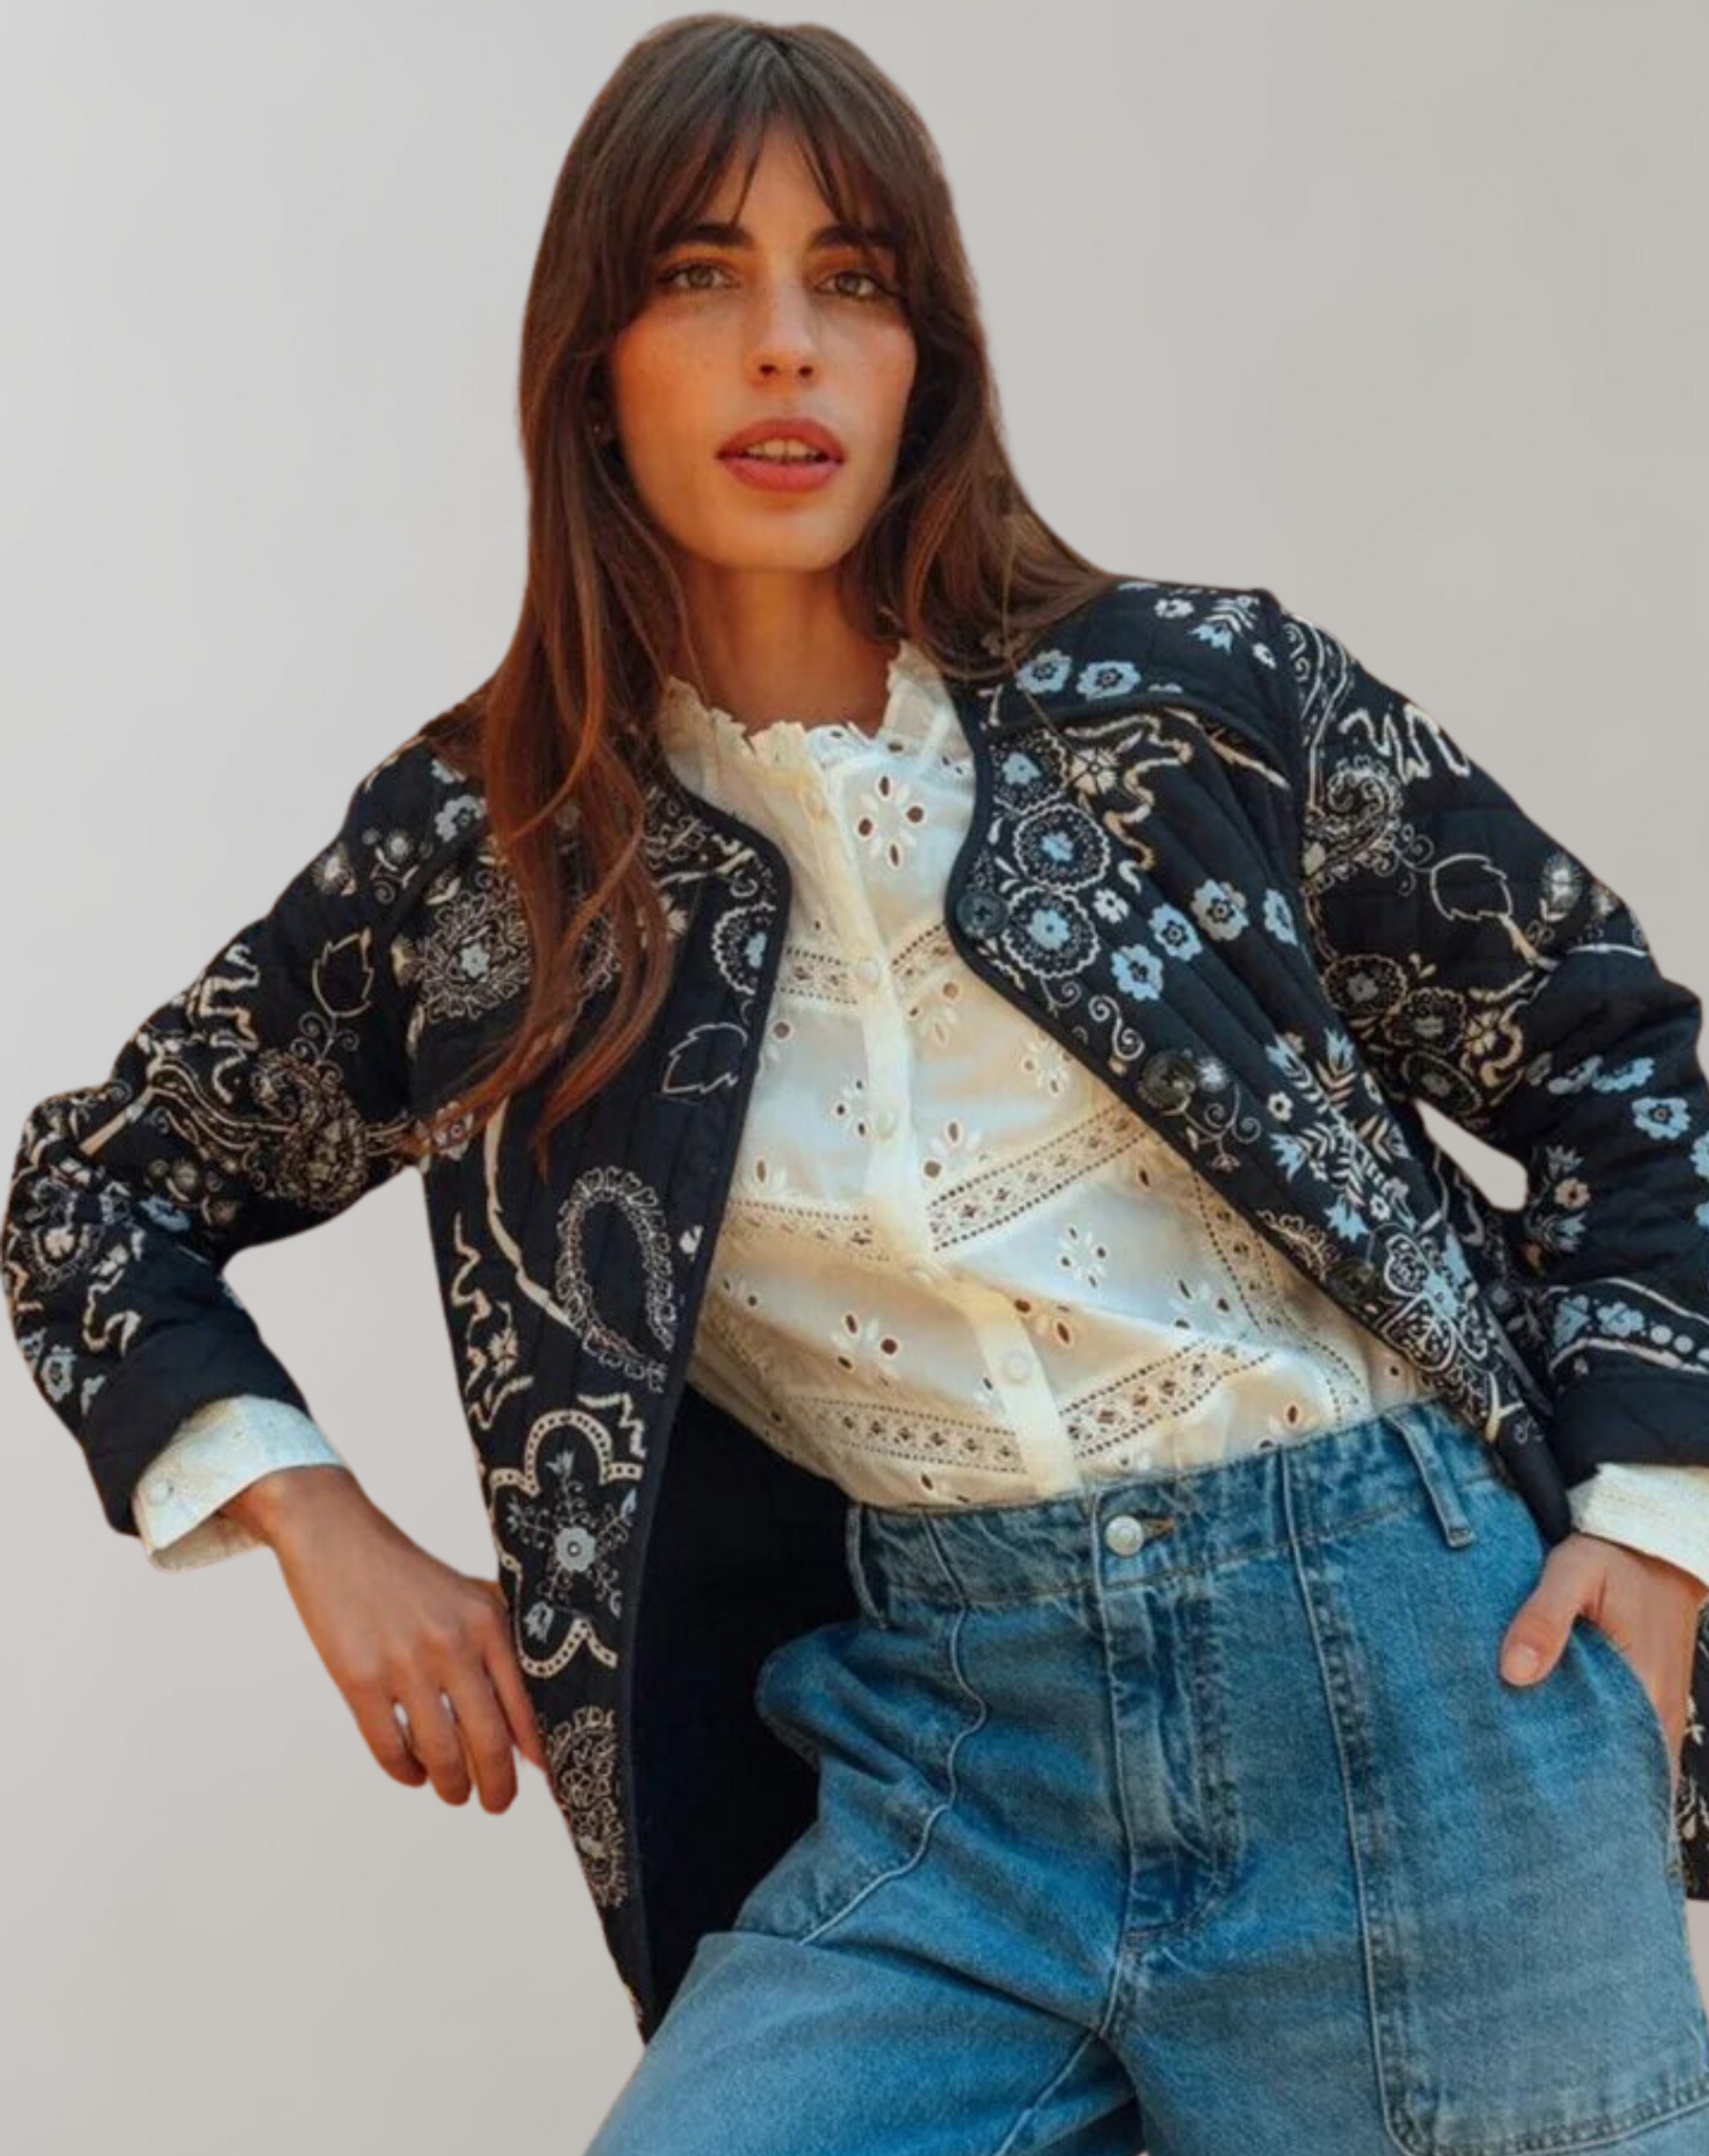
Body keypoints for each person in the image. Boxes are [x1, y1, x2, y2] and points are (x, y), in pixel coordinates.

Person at [9, 16, 1709, 2152]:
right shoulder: (490, 861)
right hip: (950, 1758)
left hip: (1412, 1699)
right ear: (591, 367)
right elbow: (95, 1197)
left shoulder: (1196, 702)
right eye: (699, 276)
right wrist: (310, 1519)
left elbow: (1616, 1057)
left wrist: (1660, 1528)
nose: (785, 347)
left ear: (928, 362)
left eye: (854, 282)